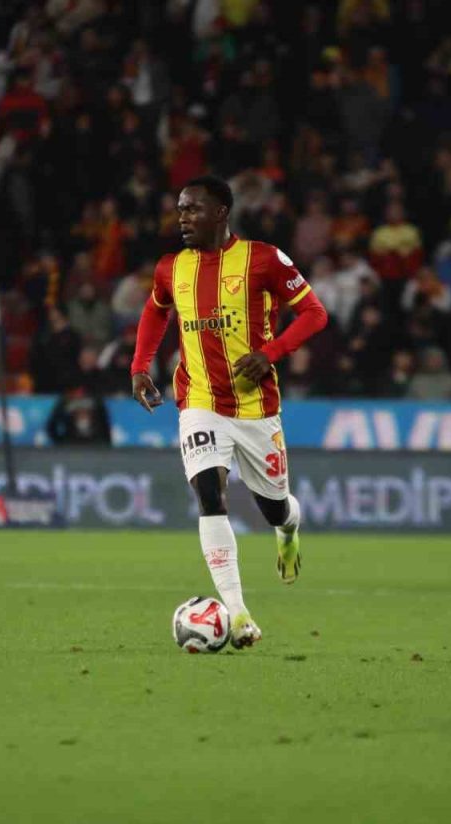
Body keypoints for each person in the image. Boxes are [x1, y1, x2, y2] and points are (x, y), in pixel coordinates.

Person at [130, 175, 328, 649]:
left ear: (221, 213)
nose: (183, 218)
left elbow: (315, 313)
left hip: (256, 408)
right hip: (199, 400)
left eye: (193, 209)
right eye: (180, 209)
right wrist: (139, 366)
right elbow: (156, 310)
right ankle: (239, 615)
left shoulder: (264, 259)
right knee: (209, 495)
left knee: (274, 508)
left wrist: (270, 353)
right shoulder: (171, 268)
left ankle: (289, 529)